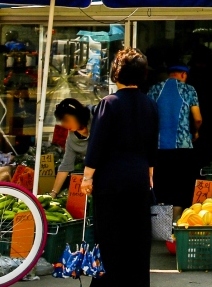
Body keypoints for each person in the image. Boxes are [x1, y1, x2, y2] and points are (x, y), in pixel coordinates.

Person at [82, 48, 158, 287]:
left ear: (116, 73)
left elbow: (97, 144)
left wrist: (87, 177)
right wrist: (150, 173)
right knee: (138, 239)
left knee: (110, 238)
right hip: (139, 178)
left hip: (111, 181)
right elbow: (152, 145)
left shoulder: (109, 103)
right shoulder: (150, 104)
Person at [149, 64, 202, 210]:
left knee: (162, 188)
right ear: (184, 75)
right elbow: (197, 118)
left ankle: (161, 220)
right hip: (182, 147)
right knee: (181, 188)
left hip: (159, 148)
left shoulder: (154, 89)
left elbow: (147, 117)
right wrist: (195, 132)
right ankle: (178, 219)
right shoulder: (189, 89)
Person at [50, 98, 93, 197]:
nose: (65, 125)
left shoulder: (97, 122)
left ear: (77, 115)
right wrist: (53, 193)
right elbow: (66, 165)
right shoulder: (71, 139)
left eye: (67, 120)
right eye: (62, 121)